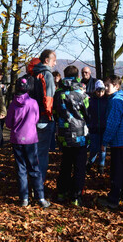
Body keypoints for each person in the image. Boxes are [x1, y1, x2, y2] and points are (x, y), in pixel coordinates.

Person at [5, 77, 51, 208]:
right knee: (34, 168)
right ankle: (40, 197)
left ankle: (24, 198)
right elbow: (36, 119)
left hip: (17, 139)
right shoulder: (33, 102)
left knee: (21, 168)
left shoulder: (13, 104)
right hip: (30, 139)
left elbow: (8, 123)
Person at [98, 75, 123, 210]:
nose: (106, 88)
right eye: (105, 86)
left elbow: (112, 123)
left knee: (117, 171)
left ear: (116, 86)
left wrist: (105, 141)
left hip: (119, 141)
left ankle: (114, 199)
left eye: (108, 86)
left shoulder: (115, 101)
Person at [53, 65, 89, 206]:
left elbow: (55, 113)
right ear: (77, 75)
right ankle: (76, 196)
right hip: (80, 133)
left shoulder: (58, 93)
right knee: (79, 166)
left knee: (65, 164)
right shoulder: (81, 93)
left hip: (64, 134)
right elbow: (88, 113)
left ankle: (62, 192)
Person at [28, 50, 57, 182]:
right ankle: (38, 186)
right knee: (42, 154)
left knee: (32, 152)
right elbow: (48, 99)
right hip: (43, 118)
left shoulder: (32, 73)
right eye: (54, 60)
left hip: (30, 118)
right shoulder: (47, 75)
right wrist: (50, 116)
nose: (55, 63)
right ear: (47, 60)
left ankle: (30, 181)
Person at [87, 80, 109, 173]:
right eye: (98, 91)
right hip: (94, 127)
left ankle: (101, 166)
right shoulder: (91, 101)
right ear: (95, 91)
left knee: (103, 148)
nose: (100, 93)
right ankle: (90, 163)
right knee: (94, 148)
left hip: (104, 128)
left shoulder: (107, 100)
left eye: (102, 91)